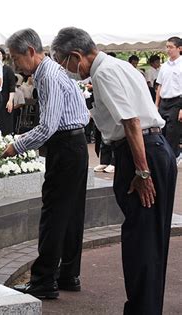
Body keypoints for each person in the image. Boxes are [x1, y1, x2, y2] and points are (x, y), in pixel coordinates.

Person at [52, 27, 176, 315]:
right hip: (155, 147)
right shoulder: (117, 65)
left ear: (75, 56)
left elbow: (131, 121)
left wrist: (142, 173)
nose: (64, 68)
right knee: (152, 238)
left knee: (140, 240)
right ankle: (147, 307)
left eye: (62, 62)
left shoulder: (103, 73)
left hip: (141, 153)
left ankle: (142, 309)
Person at [1, 28, 89, 299]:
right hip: (76, 145)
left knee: (54, 214)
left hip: (65, 147)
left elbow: (48, 125)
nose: (15, 65)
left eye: (16, 58)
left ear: (30, 52)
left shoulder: (48, 75)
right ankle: (68, 275)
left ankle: (44, 281)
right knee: (72, 214)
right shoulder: (52, 71)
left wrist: (17, 145)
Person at [155, 36, 182, 163]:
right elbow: (159, 86)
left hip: (177, 102)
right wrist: (156, 105)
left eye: (171, 47)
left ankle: (171, 159)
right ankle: (165, 158)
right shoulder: (164, 66)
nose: (168, 50)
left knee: (173, 133)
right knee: (161, 131)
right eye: (167, 47)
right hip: (163, 103)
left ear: (179, 48)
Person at [0, 46, 16, 135]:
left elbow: (12, 87)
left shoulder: (7, 70)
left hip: (4, 99)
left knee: (4, 124)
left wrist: (10, 101)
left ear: (3, 56)